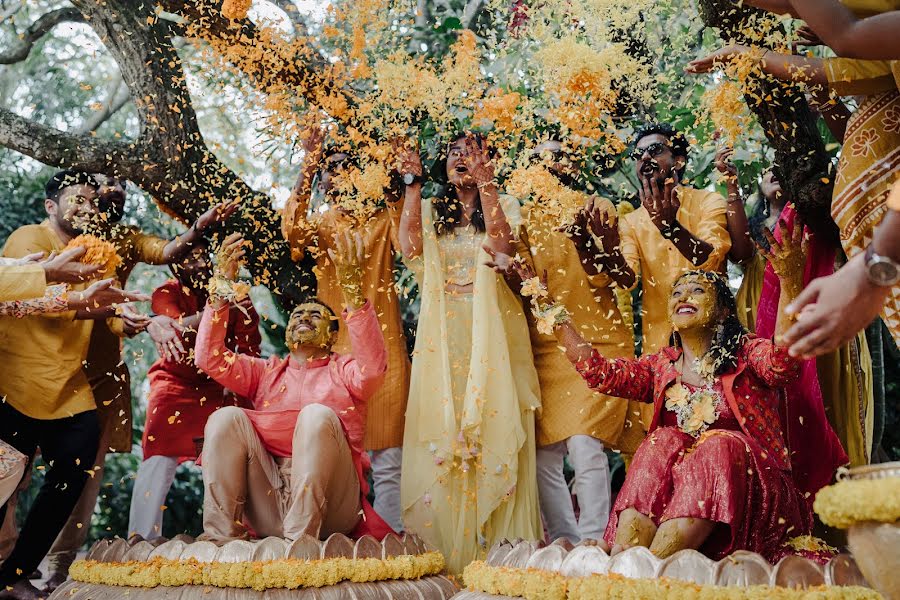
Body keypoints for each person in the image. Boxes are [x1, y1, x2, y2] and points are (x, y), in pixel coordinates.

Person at [506, 219, 818, 562]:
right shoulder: (662, 366)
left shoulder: (747, 352)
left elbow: (783, 365)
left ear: (724, 310)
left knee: (718, 443)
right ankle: (630, 558)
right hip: (676, 503)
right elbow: (599, 373)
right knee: (662, 439)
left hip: (751, 505)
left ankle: (655, 566)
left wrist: (790, 282)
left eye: (697, 291)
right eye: (678, 293)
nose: (684, 296)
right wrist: (546, 306)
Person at [41, 174, 239, 590]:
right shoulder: (42, 240)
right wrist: (188, 318)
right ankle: (20, 564)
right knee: (23, 465)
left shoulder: (127, 240)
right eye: (103, 183)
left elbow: (163, 251)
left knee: (87, 471)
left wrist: (199, 228)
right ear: (71, 199)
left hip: (109, 371)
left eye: (121, 183)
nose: (114, 189)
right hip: (44, 365)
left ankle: (58, 566)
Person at [687, 42, 900, 352]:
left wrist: (873, 268)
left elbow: (847, 36)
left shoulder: (812, 208)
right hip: (869, 268)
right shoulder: (758, 220)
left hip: (874, 263)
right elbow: (838, 52)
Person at [396, 133, 542, 573]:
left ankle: (499, 564)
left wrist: (488, 186)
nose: (462, 158)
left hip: (492, 339)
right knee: (446, 436)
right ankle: (447, 562)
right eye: (454, 153)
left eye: (473, 152)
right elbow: (409, 251)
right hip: (444, 341)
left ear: (490, 161)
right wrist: (412, 184)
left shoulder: (507, 204)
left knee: (491, 431)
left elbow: (502, 246)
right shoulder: (428, 211)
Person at [0, 171, 147, 600]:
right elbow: (26, 301)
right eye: (76, 199)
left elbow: (100, 303)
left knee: (76, 464)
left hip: (67, 386)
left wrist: (124, 319)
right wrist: (82, 298)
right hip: (16, 383)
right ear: (51, 206)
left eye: (91, 201)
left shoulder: (92, 250)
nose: (86, 207)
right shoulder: (28, 237)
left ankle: (14, 574)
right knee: (5, 480)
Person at [195, 231, 392, 542]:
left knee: (315, 415)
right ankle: (221, 541)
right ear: (287, 335)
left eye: (316, 315)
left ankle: (300, 546)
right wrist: (219, 289)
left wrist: (353, 292)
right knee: (225, 418)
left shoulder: (344, 372)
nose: (305, 318)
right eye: (298, 315)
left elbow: (372, 371)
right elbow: (209, 358)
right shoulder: (264, 373)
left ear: (330, 336)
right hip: (270, 506)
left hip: (334, 511)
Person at [484, 139, 632, 543]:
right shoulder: (523, 219)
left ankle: (593, 541)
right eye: (537, 157)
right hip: (547, 348)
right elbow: (528, 287)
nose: (547, 164)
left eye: (556, 156)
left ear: (572, 164)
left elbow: (616, 278)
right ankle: (564, 542)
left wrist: (589, 244)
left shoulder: (597, 206)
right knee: (542, 457)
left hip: (601, 343)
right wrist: (511, 272)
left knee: (586, 444)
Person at [281, 128, 410, 532]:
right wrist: (309, 162)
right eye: (329, 170)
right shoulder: (321, 226)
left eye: (346, 167)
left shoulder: (387, 218)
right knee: (332, 453)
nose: (336, 176)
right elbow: (291, 232)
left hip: (384, 350)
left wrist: (403, 171)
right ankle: (334, 540)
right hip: (332, 355)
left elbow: (413, 244)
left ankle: (386, 551)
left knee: (389, 461)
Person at [127, 242, 261, 540]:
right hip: (173, 384)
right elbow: (175, 327)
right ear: (175, 266)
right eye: (189, 259)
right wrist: (220, 303)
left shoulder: (236, 294)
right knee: (158, 457)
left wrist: (235, 385)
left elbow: (250, 346)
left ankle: (232, 534)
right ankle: (140, 539)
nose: (199, 264)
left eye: (203, 257)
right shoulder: (166, 292)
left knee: (224, 460)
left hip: (219, 387)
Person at [586, 123, 731, 356]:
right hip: (661, 350)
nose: (644, 157)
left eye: (655, 150)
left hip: (715, 341)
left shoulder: (708, 202)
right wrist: (609, 249)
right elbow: (627, 280)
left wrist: (671, 228)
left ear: (679, 161)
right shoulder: (631, 221)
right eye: (638, 154)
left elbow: (711, 260)